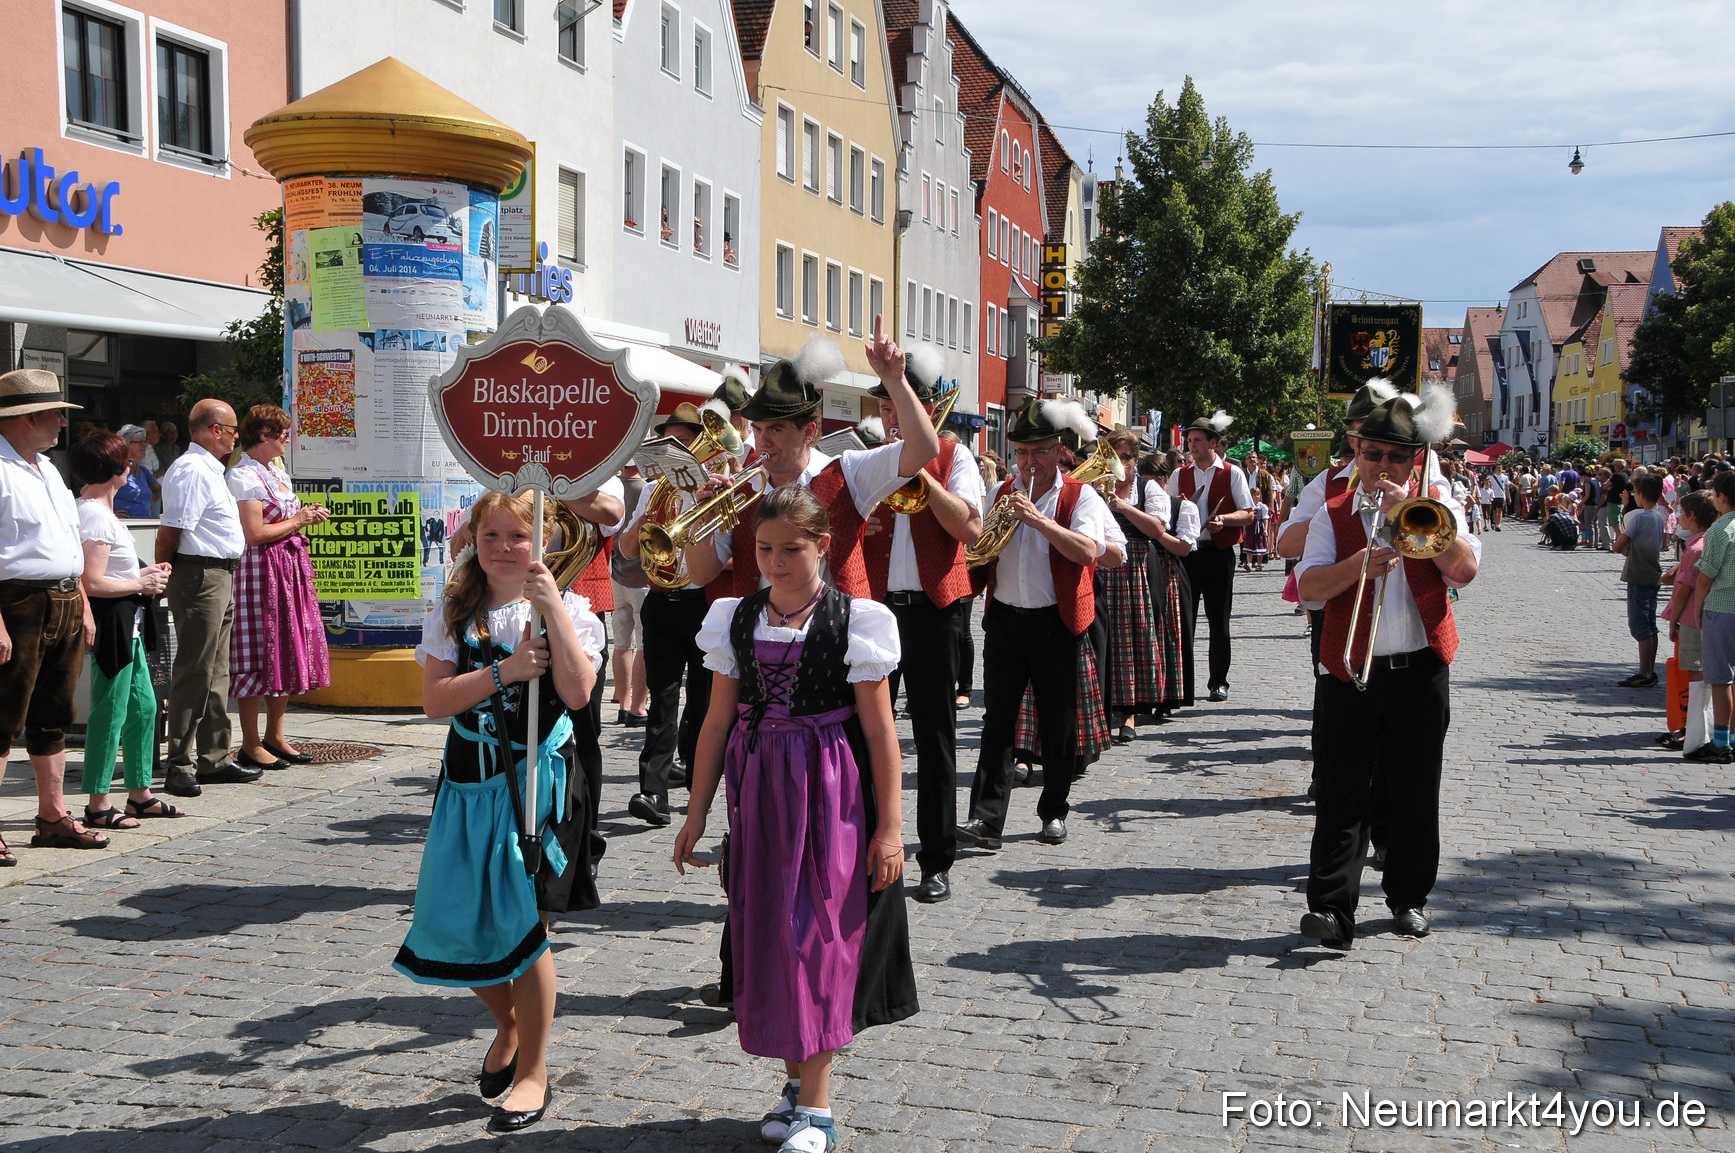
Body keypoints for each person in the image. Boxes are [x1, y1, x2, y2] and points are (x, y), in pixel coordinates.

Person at [674, 485, 915, 1153]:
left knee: (818, 937)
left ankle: (817, 1104)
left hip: (826, 787)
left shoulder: (854, 619)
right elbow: (716, 720)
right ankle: (794, 1087)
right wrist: (695, 810)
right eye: (764, 549)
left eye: (791, 550)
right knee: (767, 932)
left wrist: (889, 826)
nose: (775, 563)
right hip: (756, 789)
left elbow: (879, 733)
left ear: (823, 546)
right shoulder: (735, 616)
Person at [397, 489, 605, 1133]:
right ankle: (509, 1022)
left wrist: (552, 612)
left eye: (520, 537)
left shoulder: (568, 608)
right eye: (492, 536)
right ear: (474, 541)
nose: (505, 549)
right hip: (467, 780)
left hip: (538, 781)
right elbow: (435, 702)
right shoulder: (456, 610)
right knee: (451, 919)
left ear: (545, 542)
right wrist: (507, 670)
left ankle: (534, 1072)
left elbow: (576, 691)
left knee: (525, 921)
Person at [1296, 386, 1481, 947]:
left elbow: (1465, 570)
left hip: (1420, 668)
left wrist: (1409, 515)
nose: (1382, 466)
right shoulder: (1333, 511)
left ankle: (1408, 897)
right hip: (1350, 668)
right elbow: (1308, 587)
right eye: (1372, 454)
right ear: (1356, 452)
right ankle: (1331, 909)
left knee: (1415, 789)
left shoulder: (1438, 508)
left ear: (1415, 460)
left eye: (1395, 456)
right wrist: (1359, 565)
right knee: (1341, 792)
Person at [681, 320, 940, 600]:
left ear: (809, 431)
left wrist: (895, 380)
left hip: (834, 631)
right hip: (761, 633)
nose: (763, 441)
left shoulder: (847, 470)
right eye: (757, 429)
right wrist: (703, 518)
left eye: (776, 429)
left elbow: (923, 449)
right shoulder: (741, 488)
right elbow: (701, 574)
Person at [958, 399, 1116, 851]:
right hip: (1006, 620)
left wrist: (1039, 520)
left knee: (1058, 721)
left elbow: (1087, 552)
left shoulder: (1079, 495)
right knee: (998, 721)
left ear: (1058, 450)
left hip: (1056, 620)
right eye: (1022, 453)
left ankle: (1054, 811)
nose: (1029, 462)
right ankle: (986, 820)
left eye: (1039, 452)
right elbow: (983, 546)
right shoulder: (1001, 493)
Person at [860, 345, 983, 904]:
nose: (891, 415)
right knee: (865, 733)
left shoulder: (956, 458)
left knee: (934, 738)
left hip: (935, 610)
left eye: (901, 405)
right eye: (886, 405)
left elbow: (970, 531)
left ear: (928, 407)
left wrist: (922, 478)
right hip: (878, 610)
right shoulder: (869, 457)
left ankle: (936, 857)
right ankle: (864, 846)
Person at [0, 369, 102, 860]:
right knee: (3, 718)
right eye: (57, 413)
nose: (64, 421)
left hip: (61, 599)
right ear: (26, 417)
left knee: (54, 714)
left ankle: (52, 815)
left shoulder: (47, 466)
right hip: (16, 603)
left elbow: (64, 543)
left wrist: (81, 601)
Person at [616, 403, 729, 826]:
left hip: (703, 604)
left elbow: (729, 557)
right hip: (661, 600)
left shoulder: (719, 486)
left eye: (685, 441)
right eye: (672, 443)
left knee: (701, 703)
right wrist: (643, 521)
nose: (677, 450)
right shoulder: (652, 489)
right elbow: (627, 551)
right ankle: (653, 792)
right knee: (662, 699)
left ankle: (696, 779)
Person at [73, 431, 179, 831]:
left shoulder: (96, 512)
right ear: (119, 468)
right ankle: (98, 802)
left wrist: (143, 575)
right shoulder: (97, 516)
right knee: (110, 712)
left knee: (144, 707)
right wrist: (141, 583)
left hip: (128, 626)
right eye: (127, 461)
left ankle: (139, 794)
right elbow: (93, 581)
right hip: (113, 626)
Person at [157, 399, 256, 797]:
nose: (236, 438)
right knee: (195, 669)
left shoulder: (211, 470)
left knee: (217, 671)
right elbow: (170, 531)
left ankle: (214, 756)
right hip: (200, 573)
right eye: (233, 430)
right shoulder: (192, 470)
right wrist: (164, 574)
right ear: (215, 429)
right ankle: (178, 761)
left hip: (219, 573)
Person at [228, 405, 332, 770]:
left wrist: (305, 517)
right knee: (257, 650)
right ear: (263, 436)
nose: (288, 438)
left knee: (287, 645)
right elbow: (254, 534)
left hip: (288, 568)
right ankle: (250, 742)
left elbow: (285, 522)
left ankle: (276, 734)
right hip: (260, 571)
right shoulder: (244, 476)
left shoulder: (275, 473)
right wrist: (299, 519)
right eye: (282, 433)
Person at [1099, 428, 1191, 742]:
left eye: (1126, 456)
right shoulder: (1093, 485)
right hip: (1098, 568)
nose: (1120, 463)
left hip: (1133, 568)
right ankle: (1098, 710)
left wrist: (1122, 506)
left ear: (1135, 460)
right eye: (1115, 456)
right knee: (1099, 640)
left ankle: (1129, 715)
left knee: (1131, 642)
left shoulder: (1147, 487)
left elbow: (1157, 528)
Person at [1167, 411, 1254, 702]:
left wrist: (1225, 521)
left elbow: (1249, 512)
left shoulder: (1232, 472)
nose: (1192, 446)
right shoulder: (1180, 475)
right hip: (1188, 554)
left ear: (1213, 443)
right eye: (1190, 441)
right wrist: (1177, 508)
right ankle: (1182, 683)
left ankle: (1219, 682)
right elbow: (1164, 515)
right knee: (1184, 621)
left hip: (1218, 554)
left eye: (1198, 440)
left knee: (1219, 622)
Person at [1665, 491, 1714, 756]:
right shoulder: (1708, 543)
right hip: (1707, 618)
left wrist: (1673, 623)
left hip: (1692, 620)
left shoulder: (1696, 548)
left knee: (1698, 679)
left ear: (1692, 515)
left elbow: (1683, 589)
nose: (1679, 517)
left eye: (1682, 513)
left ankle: (1696, 735)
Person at [1692, 471, 1735, 763]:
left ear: (1720, 497)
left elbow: (1705, 577)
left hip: (1722, 607)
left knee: (1720, 679)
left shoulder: (1720, 530)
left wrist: (1697, 609)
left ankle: (1722, 742)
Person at [1613, 473, 1666, 688]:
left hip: (1638, 574)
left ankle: (1644, 672)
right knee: (1650, 625)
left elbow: (1618, 545)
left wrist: (1626, 547)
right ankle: (1649, 670)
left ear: (1640, 494)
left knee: (1639, 625)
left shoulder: (1640, 518)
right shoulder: (1658, 516)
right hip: (1652, 573)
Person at [608, 461, 649, 727]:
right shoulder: (647, 487)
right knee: (645, 645)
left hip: (616, 571)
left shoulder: (611, 486)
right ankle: (637, 707)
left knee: (622, 643)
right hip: (643, 575)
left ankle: (622, 702)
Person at [111, 425, 159, 519]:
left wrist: (148, 502)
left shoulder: (143, 471)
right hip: (123, 525)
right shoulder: (115, 469)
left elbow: (158, 490)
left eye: (145, 441)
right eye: (140, 442)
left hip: (144, 524)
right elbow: (91, 494)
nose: (144, 445)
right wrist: (110, 513)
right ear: (126, 444)